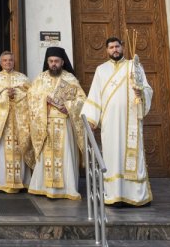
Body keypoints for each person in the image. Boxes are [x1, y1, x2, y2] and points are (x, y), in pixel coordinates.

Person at [82, 37, 154, 206]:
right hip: (110, 122)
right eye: (111, 47)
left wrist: (141, 94)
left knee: (133, 156)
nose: (115, 49)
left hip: (131, 120)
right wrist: (92, 119)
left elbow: (147, 88)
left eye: (117, 46)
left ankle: (136, 196)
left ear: (122, 48)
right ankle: (115, 196)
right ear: (107, 50)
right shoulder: (101, 70)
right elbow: (95, 94)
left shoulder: (134, 66)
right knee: (112, 157)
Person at [27, 47, 85, 200]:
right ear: (47, 62)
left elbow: (81, 100)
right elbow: (31, 97)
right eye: (51, 61)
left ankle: (68, 189)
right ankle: (42, 187)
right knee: (46, 157)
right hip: (45, 123)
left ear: (62, 62)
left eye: (56, 61)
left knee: (65, 156)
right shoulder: (40, 78)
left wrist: (68, 107)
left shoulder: (70, 79)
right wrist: (42, 100)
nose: (54, 64)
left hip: (64, 124)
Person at [0, 50, 31, 193]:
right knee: (1, 150)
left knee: (19, 148)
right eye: (5, 60)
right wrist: (4, 96)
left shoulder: (23, 78)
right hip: (1, 123)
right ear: (0, 62)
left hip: (18, 121)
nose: (8, 62)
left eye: (10, 60)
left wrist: (17, 94)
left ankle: (20, 181)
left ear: (14, 61)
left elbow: (31, 96)